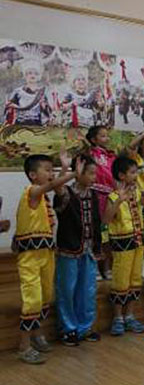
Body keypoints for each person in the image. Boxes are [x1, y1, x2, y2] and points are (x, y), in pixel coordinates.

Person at [13, 154, 78, 364]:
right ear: (33, 175)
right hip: (30, 256)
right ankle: (24, 346)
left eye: (52, 170)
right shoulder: (31, 192)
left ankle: (37, 333)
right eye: (47, 170)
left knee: (45, 296)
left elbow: (53, 184)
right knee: (32, 299)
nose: (51, 174)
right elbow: (52, 185)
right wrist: (73, 174)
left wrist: (64, 168)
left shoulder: (42, 196)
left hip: (46, 253)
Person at [53, 154, 102, 346]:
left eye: (95, 174)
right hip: (69, 249)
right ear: (79, 173)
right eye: (90, 173)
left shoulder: (93, 194)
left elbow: (97, 222)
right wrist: (67, 170)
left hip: (88, 250)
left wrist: (97, 247)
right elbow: (57, 187)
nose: (94, 178)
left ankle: (85, 327)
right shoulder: (67, 192)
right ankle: (68, 329)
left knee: (87, 290)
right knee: (67, 290)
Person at [103, 156, 144, 337]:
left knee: (135, 281)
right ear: (121, 175)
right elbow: (106, 219)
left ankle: (130, 316)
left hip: (137, 242)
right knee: (121, 281)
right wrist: (118, 201)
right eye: (132, 172)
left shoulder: (137, 193)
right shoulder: (113, 196)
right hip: (122, 244)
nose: (136, 175)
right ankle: (118, 318)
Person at [85, 125, 116, 280]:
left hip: (110, 197)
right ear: (93, 139)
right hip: (95, 196)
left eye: (107, 135)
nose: (106, 138)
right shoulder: (91, 154)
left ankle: (107, 267)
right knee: (95, 233)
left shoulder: (111, 156)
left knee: (108, 234)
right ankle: (95, 268)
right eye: (102, 136)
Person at [5, 58, 51, 126]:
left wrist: (44, 107)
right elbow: (9, 108)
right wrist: (11, 106)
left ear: (38, 77)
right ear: (25, 76)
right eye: (30, 73)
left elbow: (48, 113)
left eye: (36, 74)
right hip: (20, 124)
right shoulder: (18, 92)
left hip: (36, 124)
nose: (33, 75)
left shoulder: (42, 93)